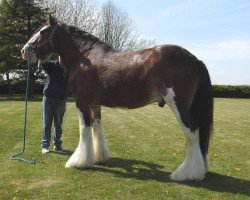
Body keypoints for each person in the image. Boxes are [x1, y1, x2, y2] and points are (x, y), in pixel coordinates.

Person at [40, 59, 69, 154]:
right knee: (46, 124)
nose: (61, 58)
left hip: (61, 100)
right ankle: (45, 146)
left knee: (58, 124)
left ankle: (57, 144)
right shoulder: (52, 65)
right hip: (48, 98)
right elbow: (42, 61)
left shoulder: (69, 68)